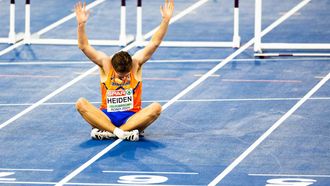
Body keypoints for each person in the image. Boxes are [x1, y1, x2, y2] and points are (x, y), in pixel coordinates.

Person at [74, 0, 174, 141]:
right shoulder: (105, 63)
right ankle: (119, 132)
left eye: (126, 75)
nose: (123, 78)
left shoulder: (136, 63)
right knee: (80, 103)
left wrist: (166, 20)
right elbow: (83, 46)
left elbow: (154, 43)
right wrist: (81, 24)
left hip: (132, 119)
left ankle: (113, 131)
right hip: (106, 117)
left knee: (156, 108)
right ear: (112, 66)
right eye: (120, 75)